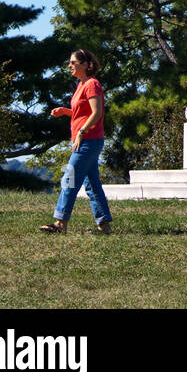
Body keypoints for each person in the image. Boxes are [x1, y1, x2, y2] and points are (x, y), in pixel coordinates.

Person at [40, 48, 112, 235]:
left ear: (87, 65)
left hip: (88, 141)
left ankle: (60, 223)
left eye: (74, 62)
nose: (70, 65)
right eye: (70, 62)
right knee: (91, 184)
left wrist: (81, 131)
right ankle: (104, 226)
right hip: (86, 139)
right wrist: (66, 112)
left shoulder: (92, 84)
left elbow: (97, 113)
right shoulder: (81, 85)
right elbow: (84, 113)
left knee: (69, 179)